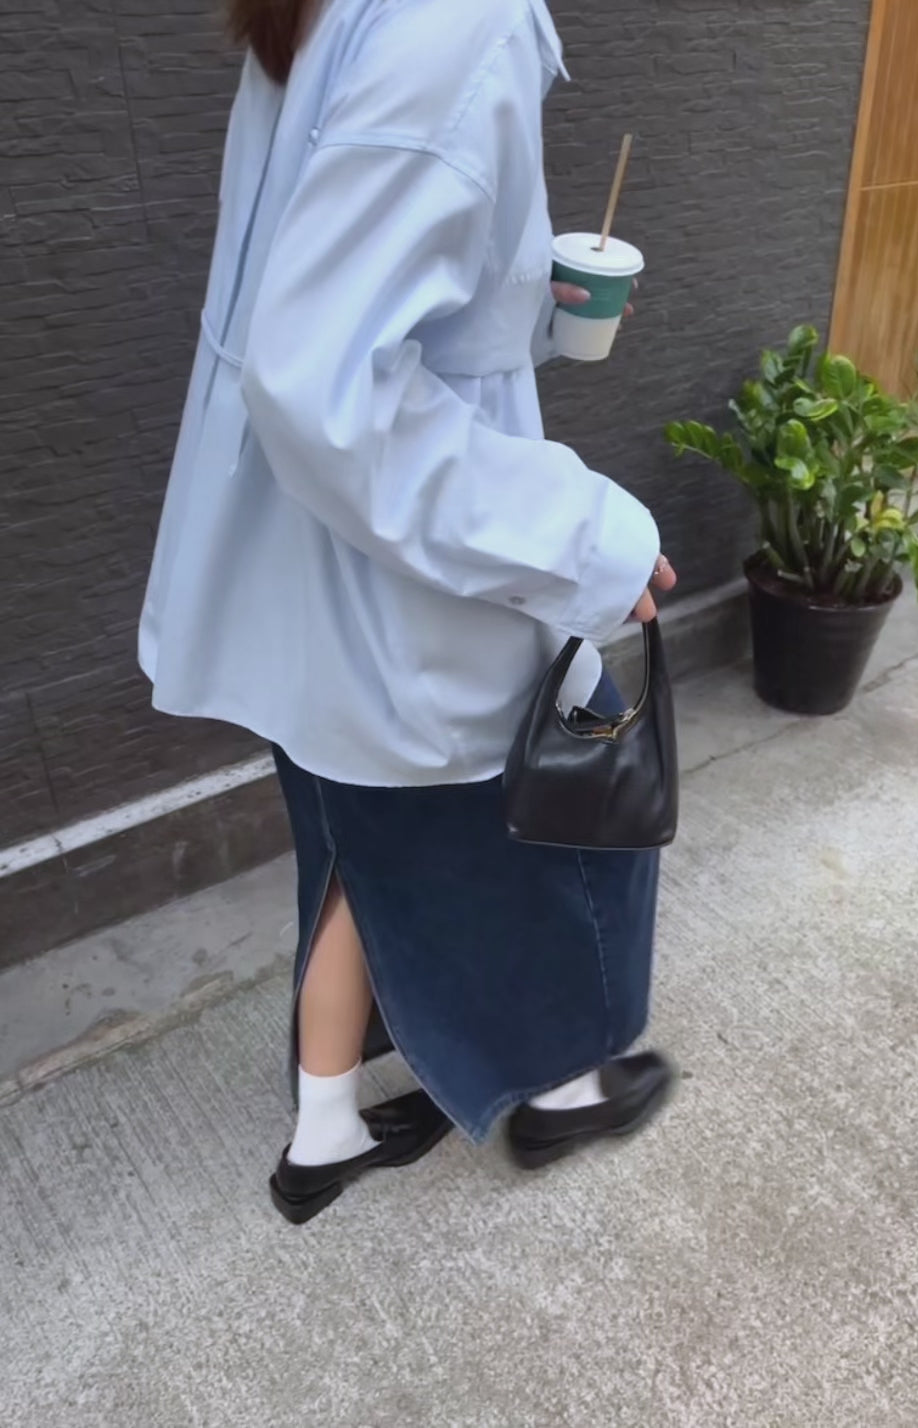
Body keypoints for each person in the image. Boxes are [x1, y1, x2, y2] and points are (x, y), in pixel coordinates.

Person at [139, 0, 677, 1225]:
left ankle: (325, 1124)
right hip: (401, 552)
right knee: (545, 821)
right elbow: (329, 384)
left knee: (363, 844)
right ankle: (560, 1086)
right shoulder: (458, 20)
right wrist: (585, 537)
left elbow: (336, 287)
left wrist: (528, 300)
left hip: (297, 543)